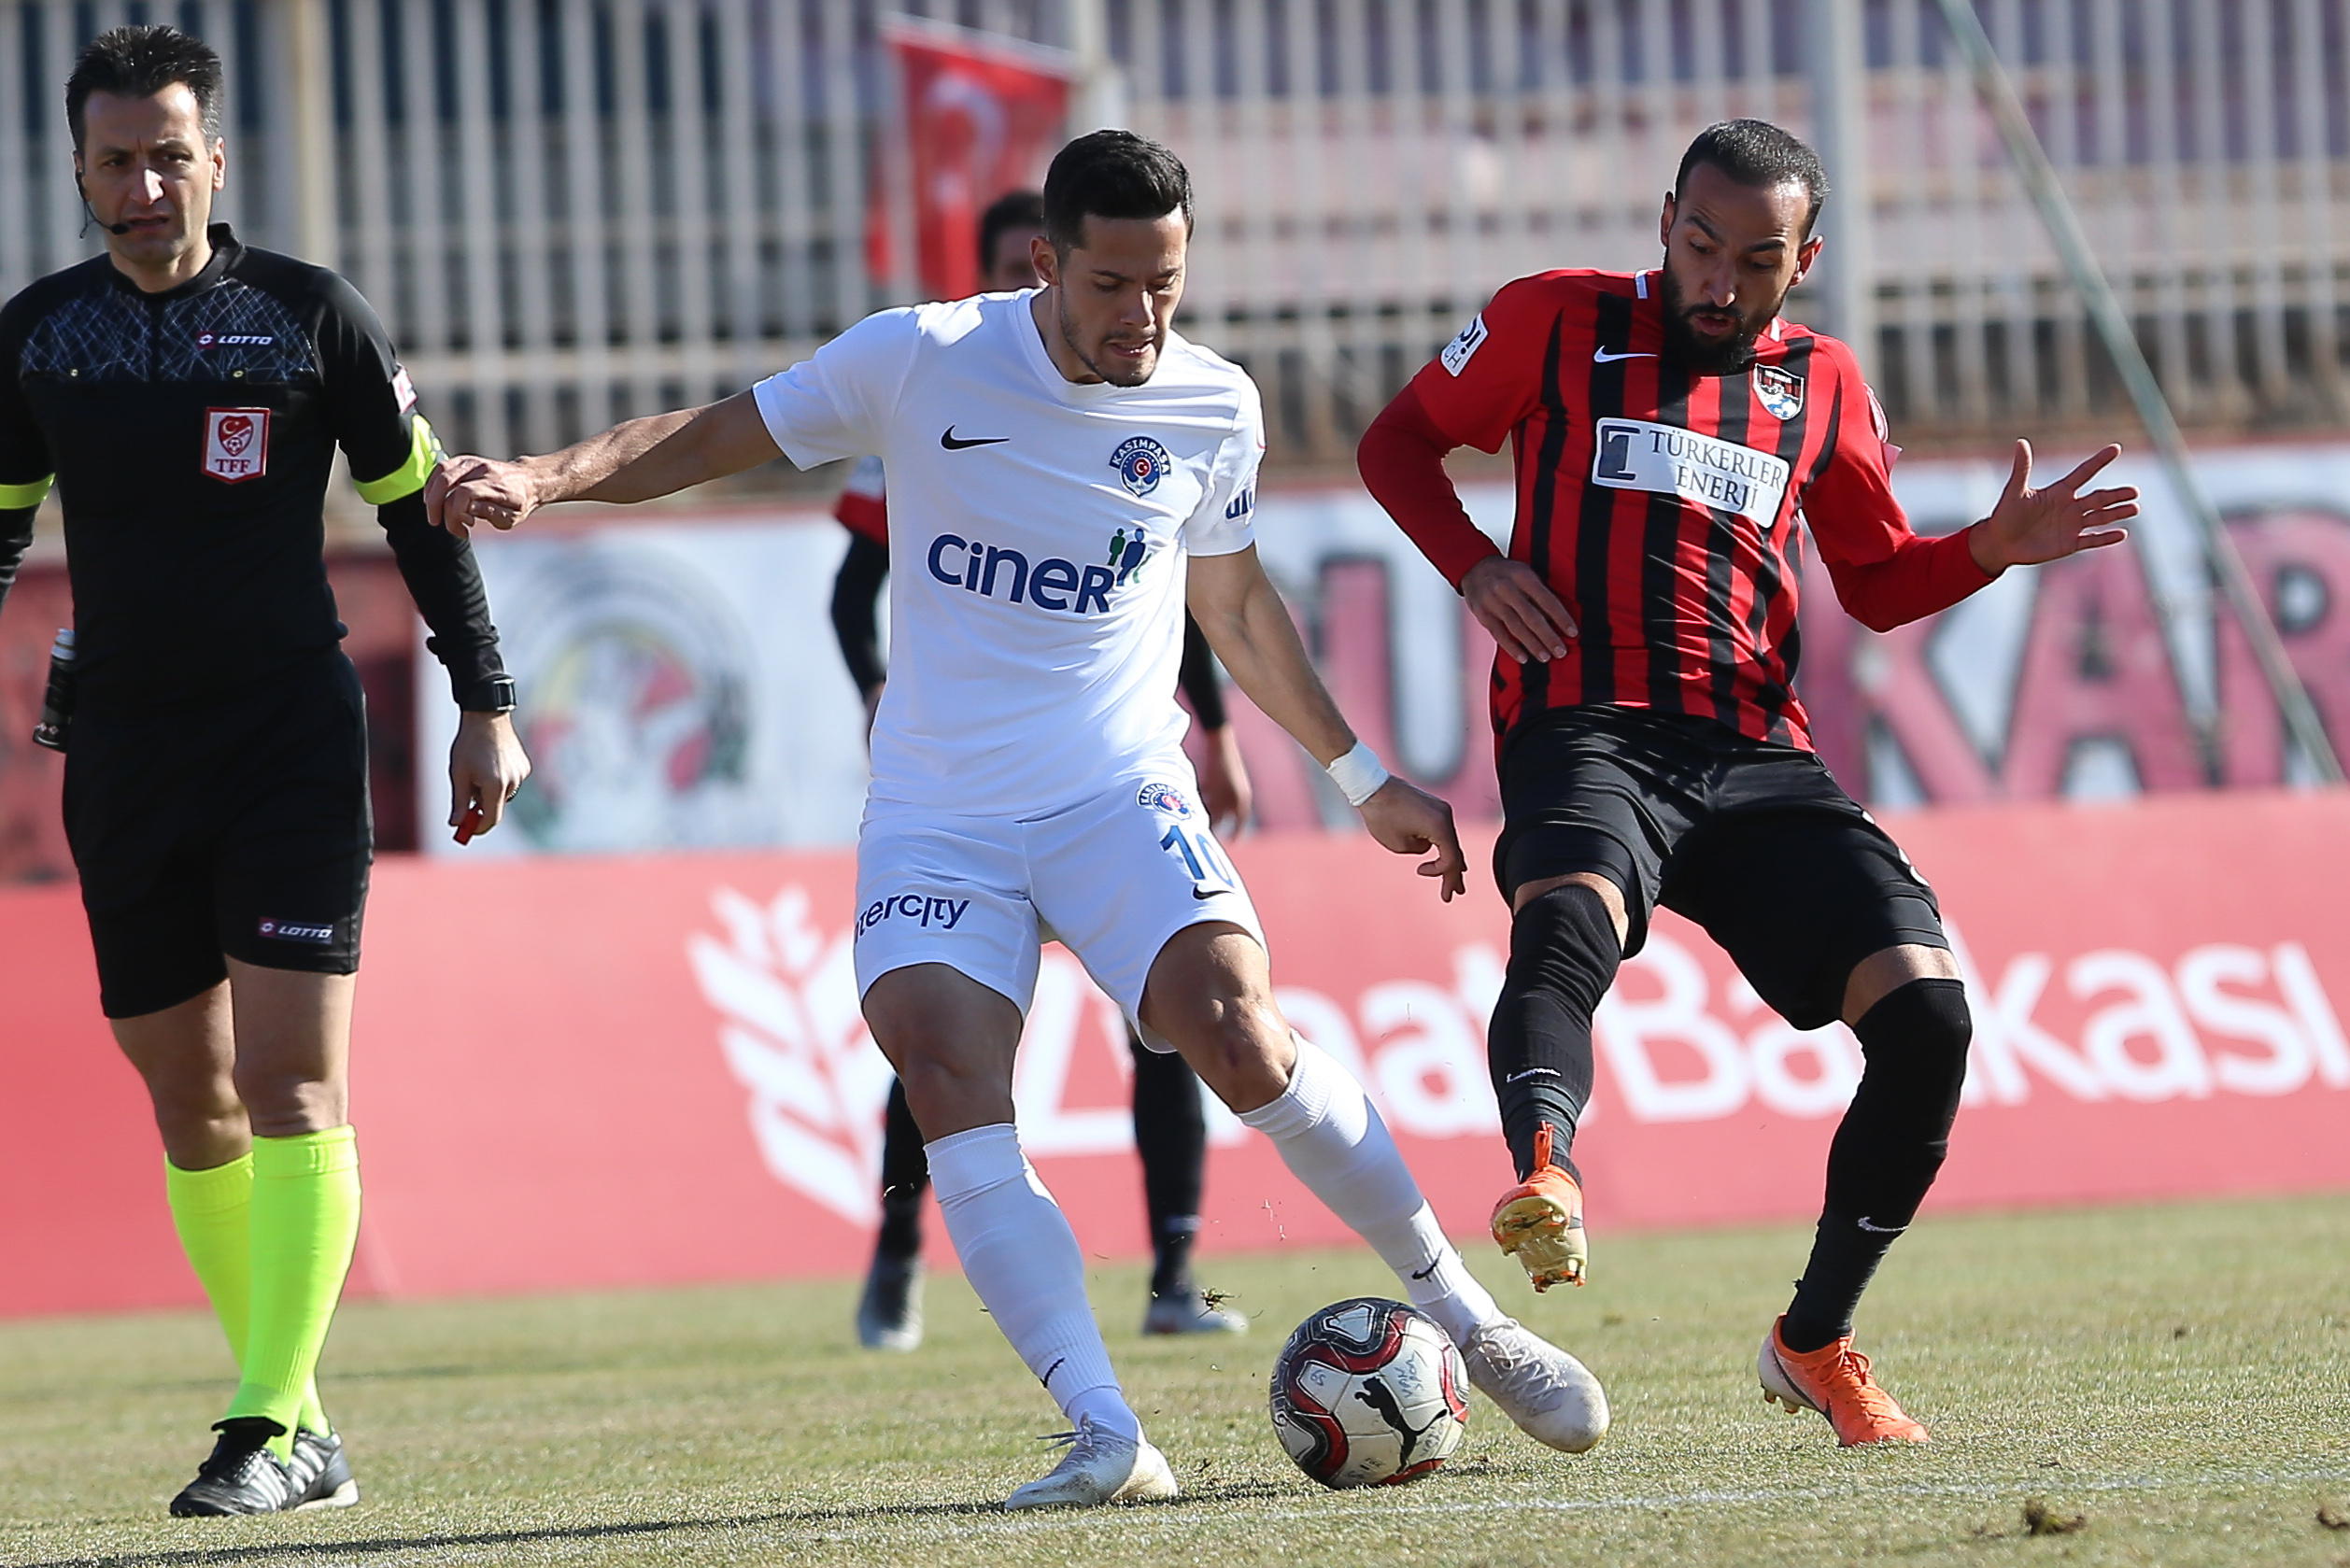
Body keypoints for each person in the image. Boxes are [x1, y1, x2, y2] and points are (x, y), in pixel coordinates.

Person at [431, 129, 1608, 1509]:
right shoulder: (921, 356)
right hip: (939, 811)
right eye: (1112, 284)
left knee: (1238, 1027)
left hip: (1116, 789)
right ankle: (1105, 1430)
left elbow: (1233, 606)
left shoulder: (1212, 404)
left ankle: (1469, 1318)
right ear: (1046, 261)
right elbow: (713, 435)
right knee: (945, 1073)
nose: (1142, 315)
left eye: (1165, 282)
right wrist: (547, 475)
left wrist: (1360, 778)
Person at [1357, 119, 2138, 1446]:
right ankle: (1547, 1171)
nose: (1718, 281)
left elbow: (1874, 581)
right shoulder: (1555, 320)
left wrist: (1985, 549)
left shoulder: (1822, 382)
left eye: (1755, 259)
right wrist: (1475, 566)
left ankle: (1813, 1339)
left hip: (1755, 750)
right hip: (1584, 722)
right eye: (1699, 244)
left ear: (1803, 261)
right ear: (1665, 222)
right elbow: (1396, 444)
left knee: (1929, 1015)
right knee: (1567, 915)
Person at [0, 27, 530, 1514]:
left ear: (216, 161)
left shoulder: (308, 316)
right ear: (80, 172)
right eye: (116, 160)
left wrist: (485, 700)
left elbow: (419, 513)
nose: (145, 185)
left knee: (293, 1077)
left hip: (287, 739)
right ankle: (302, 1419)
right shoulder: (38, 338)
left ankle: (264, 1424)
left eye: (170, 155)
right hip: (124, 752)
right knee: (191, 1095)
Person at [832, 189, 1254, 1350]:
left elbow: (1178, 596)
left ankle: (1174, 1268)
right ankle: (895, 1256)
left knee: (1169, 1012)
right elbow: (850, 586)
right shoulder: (928, 392)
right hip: (966, 782)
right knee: (945, 1037)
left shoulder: (1163, 402)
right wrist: (877, 690)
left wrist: (1215, 731)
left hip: (1100, 773)